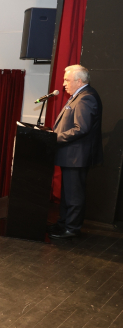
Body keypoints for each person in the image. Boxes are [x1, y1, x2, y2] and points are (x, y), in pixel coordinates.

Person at [49, 65, 103, 239]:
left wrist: (54, 138)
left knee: (74, 196)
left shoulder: (86, 98)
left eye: (67, 80)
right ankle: (63, 223)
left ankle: (71, 229)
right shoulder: (78, 96)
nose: (64, 83)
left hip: (77, 157)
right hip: (70, 156)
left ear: (79, 81)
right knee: (67, 195)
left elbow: (81, 128)